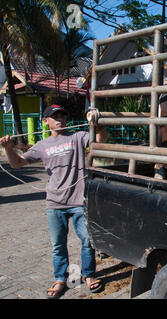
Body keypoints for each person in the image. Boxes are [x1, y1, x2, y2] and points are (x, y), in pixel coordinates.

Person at [0, 104, 107, 299]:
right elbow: (17, 164)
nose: (60, 119)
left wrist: (98, 125)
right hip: (54, 203)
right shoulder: (42, 146)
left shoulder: (78, 137)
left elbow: (100, 142)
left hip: (78, 201)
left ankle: (88, 275)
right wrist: (8, 149)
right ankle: (60, 278)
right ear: (45, 121)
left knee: (87, 241)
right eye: (54, 116)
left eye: (62, 116)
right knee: (58, 244)